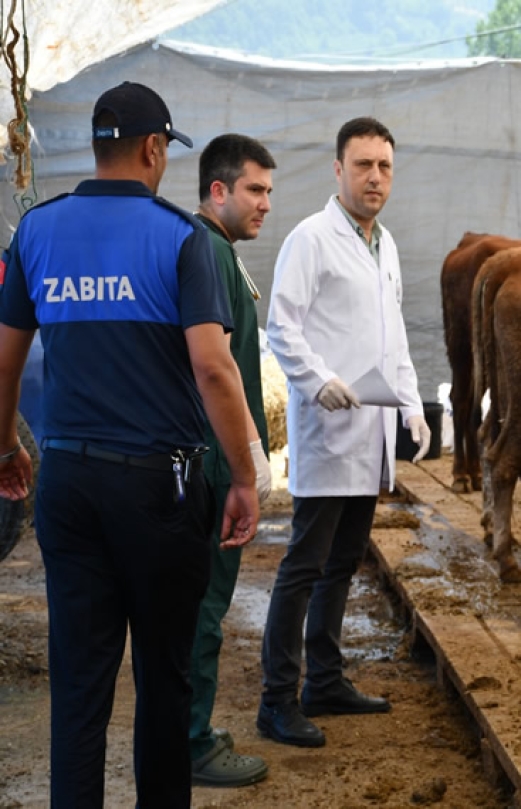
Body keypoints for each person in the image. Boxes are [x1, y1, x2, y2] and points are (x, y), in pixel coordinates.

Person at [0, 82, 259, 808]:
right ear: (153, 149)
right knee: (162, 678)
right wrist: (243, 475)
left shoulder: (38, 231)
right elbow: (213, 366)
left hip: (71, 484)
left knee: (80, 684)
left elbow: (4, 361)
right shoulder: (181, 239)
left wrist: (2, 449)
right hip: (160, 491)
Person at [257, 116, 430, 748]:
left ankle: (324, 680)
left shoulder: (384, 245)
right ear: (339, 170)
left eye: (384, 166)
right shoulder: (311, 239)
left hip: (373, 432)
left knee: (344, 563)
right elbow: (282, 326)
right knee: (304, 564)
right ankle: (277, 700)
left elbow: (395, 337)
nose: (375, 177)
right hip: (329, 428)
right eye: (363, 165)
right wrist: (315, 380)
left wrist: (412, 405)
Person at [188, 133, 277, 787]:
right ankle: (190, 740)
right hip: (216, 466)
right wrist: (245, 463)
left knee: (202, 604)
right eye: (254, 190)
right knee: (205, 607)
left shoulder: (217, 251)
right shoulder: (209, 254)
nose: (265, 204)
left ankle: (189, 728)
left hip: (219, 460)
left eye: (269, 191)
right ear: (217, 190)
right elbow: (215, 371)